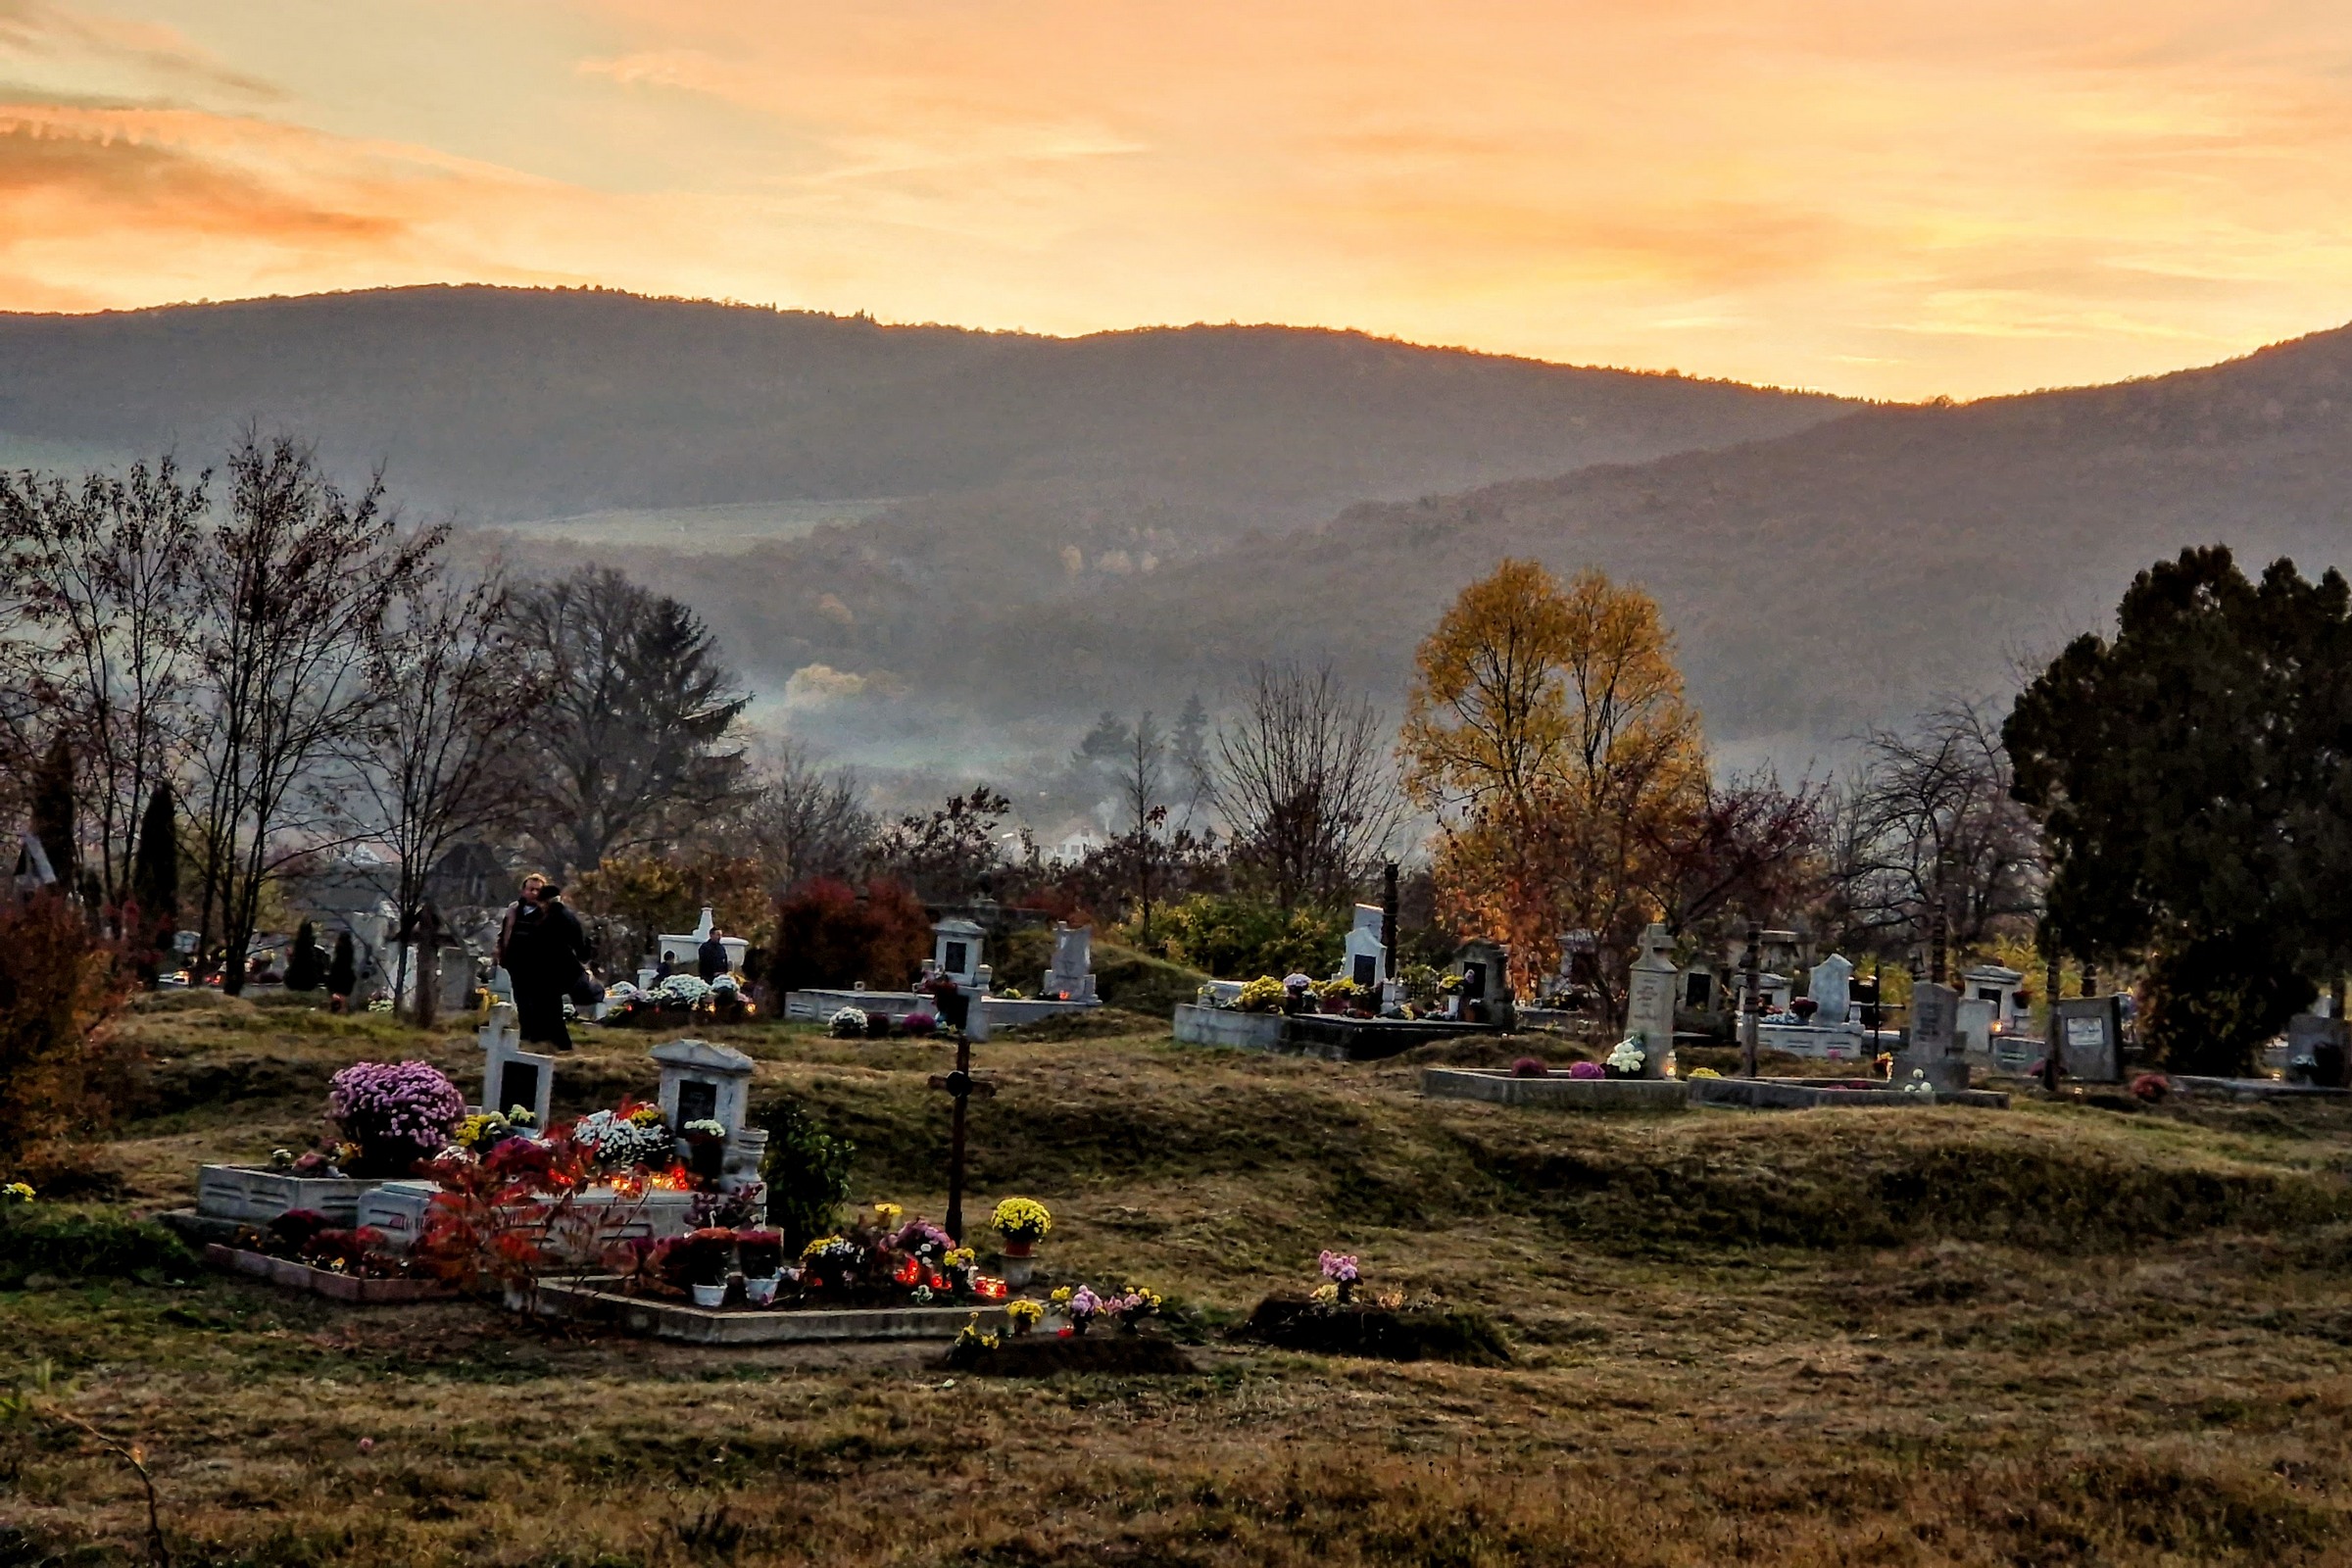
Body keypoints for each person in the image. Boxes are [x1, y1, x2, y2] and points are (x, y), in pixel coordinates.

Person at [509, 880, 592, 1051]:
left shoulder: (550, 919)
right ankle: (550, 1040)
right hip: (560, 970)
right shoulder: (569, 916)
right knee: (550, 1007)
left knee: (549, 1009)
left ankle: (560, 1042)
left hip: (548, 971)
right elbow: (581, 946)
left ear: (545, 901)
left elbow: (540, 946)